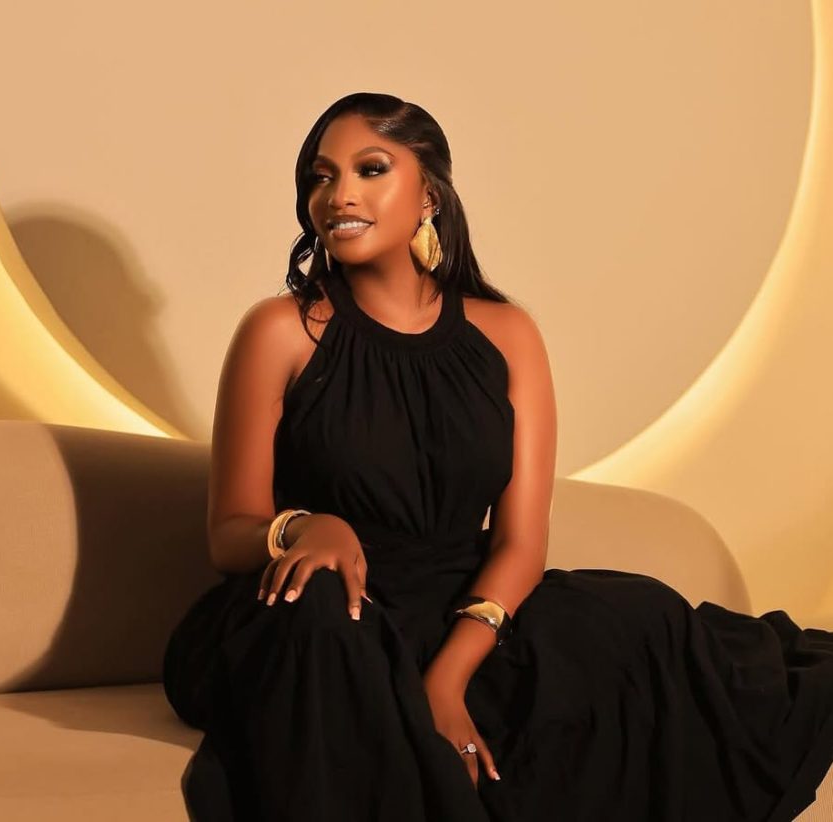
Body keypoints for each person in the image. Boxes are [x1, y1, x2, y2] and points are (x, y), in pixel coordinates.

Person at [163, 92, 833, 822]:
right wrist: (304, 527)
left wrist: (448, 679)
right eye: (321, 177)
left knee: (636, 620)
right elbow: (229, 532)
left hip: (454, 604)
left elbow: (520, 544)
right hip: (324, 610)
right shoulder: (281, 332)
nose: (339, 194)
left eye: (371, 169)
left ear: (428, 196)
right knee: (324, 611)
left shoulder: (507, 335)